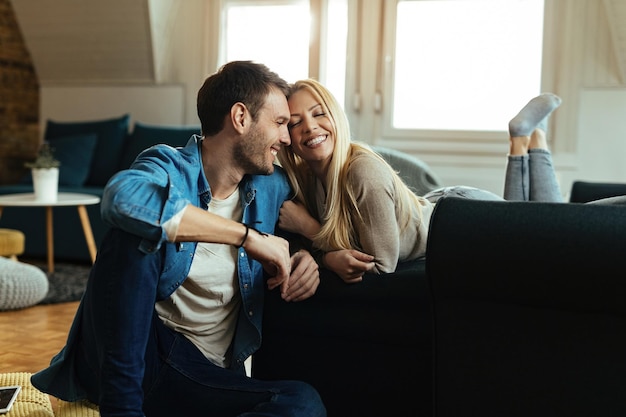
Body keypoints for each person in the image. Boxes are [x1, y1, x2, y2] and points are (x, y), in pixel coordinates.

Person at [30, 61, 327, 417]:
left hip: (203, 376)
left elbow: (325, 224)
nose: (286, 137)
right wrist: (247, 238)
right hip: (140, 357)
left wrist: (311, 255)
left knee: (302, 402)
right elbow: (122, 200)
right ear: (240, 118)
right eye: (279, 123)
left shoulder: (271, 185)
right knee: (134, 235)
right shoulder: (168, 165)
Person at [277, 78, 565, 283]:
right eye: (295, 122)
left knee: (551, 237)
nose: (310, 126)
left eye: (318, 114)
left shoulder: (361, 171)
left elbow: (381, 265)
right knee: (533, 225)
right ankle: (531, 138)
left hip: (459, 220)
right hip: (441, 207)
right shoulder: (309, 181)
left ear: (336, 118)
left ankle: (523, 140)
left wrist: (312, 233)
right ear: (287, 137)